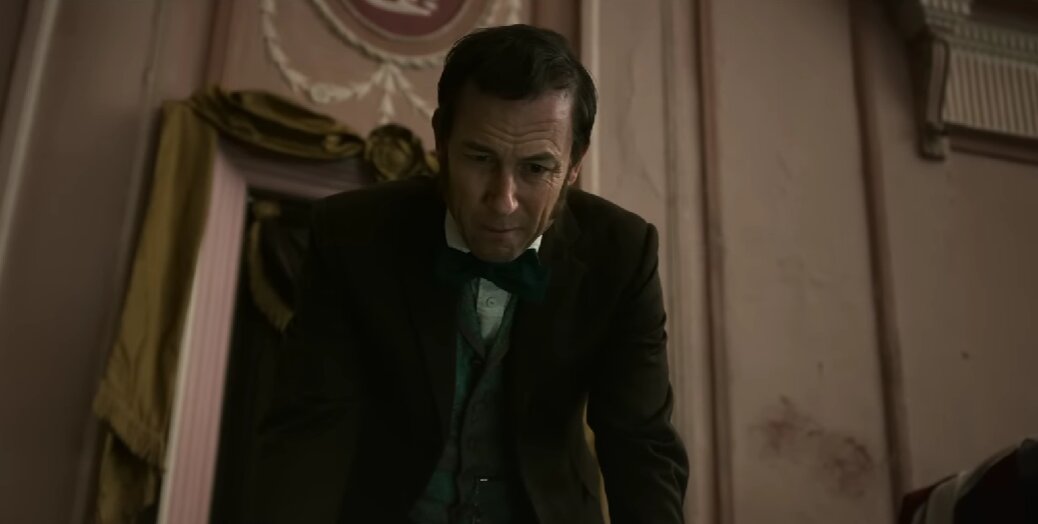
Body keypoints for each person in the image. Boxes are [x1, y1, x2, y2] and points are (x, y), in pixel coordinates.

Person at [252, 24, 689, 524]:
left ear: (574, 164)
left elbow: (640, 444)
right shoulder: (351, 236)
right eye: (480, 158)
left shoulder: (623, 253)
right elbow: (309, 432)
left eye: (536, 168)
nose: (503, 202)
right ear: (441, 140)